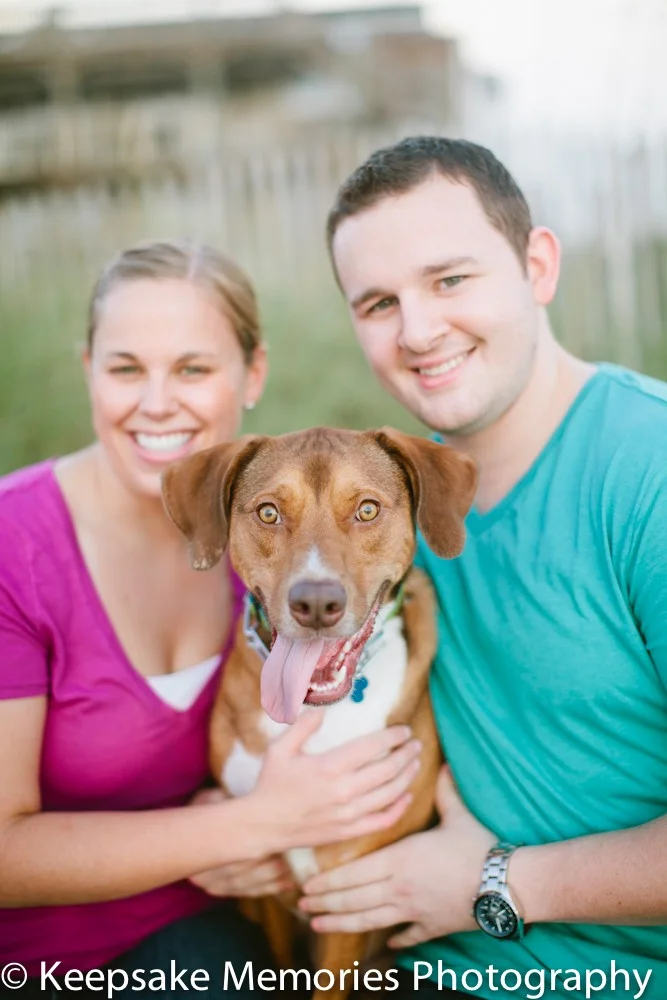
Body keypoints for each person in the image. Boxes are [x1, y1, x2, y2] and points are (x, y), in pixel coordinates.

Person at [0, 239, 421, 997]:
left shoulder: (269, 532)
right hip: (50, 960)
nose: (157, 401)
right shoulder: (13, 550)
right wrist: (251, 826)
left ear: (252, 374)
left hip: (222, 931)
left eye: (192, 368)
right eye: (126, 367)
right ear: (87, 370)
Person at [299, 137, 667, 999]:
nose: (419, 331)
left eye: (450, 280)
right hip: (402, 965)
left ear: (537, 266)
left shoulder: (645, 469)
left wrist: (497, 884)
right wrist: (238, 826)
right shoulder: (386, 503)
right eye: (378, 302)